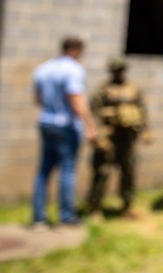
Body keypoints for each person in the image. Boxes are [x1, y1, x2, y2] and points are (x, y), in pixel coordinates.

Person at [31, 36, 98, 228]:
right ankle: (66, 216)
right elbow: (75, 99)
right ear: (76, 50)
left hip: (46, 121)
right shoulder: (73, 69)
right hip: (66, 125)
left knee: (43, 170)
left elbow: (37, 99)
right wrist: (90, 126)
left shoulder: (44, 68)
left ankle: (39, 218)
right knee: (67, 170)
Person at [86, 57, 150, 220]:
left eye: (121, 69)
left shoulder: (132, 89)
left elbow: (142, 111)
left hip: (128, 137)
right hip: (110, 137)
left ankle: (127, 205)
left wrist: (146, 130)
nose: (119, 73)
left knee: (128, 171)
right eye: (116, 70)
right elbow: (94, 114)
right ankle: (95, 207)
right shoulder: (103, 90)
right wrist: (99, 138)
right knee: (103, 172)